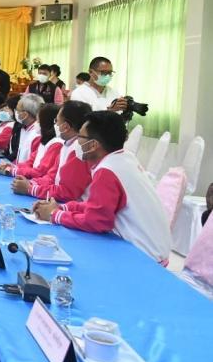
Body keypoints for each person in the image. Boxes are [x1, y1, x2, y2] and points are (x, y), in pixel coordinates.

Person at [34, 111, 171, 263]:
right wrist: (63, 208)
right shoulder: (124, 158)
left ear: (93, 145)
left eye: (80, 136)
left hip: (143, 256)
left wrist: (54, 215)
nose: (77, 142)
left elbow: (96, 221)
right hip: (155, 248)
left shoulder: (107, 170)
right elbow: (98, 206)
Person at [12, 100, 92, 201]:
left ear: (65, 126)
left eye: (56, 121)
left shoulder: (78, 150)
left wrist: (31, 189)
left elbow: (67, 192)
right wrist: (32, 183)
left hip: (72, 204)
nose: (55, 124)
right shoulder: (67, 144)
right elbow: (52, 176)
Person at [0, 104, 62, 179]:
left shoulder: (56, 144)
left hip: (37, 180)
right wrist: (12, 166)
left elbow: (40, 172)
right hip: (33, 179)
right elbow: (30, 162)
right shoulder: (44, 140)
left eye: (38, 120)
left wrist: (12, 171)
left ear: (46, 122)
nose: (36, 123)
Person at [9, 93, 43, 163]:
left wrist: (15, 168)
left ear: (25, 114)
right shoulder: (24, 129)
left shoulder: (37, 134)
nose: (15, 112)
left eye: (17, 110)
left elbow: (32, 162)